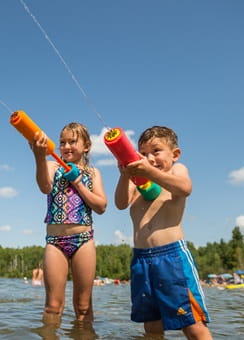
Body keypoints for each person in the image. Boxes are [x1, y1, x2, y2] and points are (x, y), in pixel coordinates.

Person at [114, 126, 212, 339]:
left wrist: (150, 172)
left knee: (192, 324)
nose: (149, 158)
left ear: (175, 154)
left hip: (171, 258)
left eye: (156, 151)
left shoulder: (176, 171)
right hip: (141, 261)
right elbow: (120, 203)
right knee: (151, 326)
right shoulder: (136, 181)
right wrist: (124, 175)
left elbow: (185, 188)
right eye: (144, 153)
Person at [30, 122, 107, 325]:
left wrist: (78, 182)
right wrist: (39, 156)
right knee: (52, 306)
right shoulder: (52, 166)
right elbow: (45, 187)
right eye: (62, 142)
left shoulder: (92, 173)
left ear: (87, 146)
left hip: (83, 240)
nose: (66, 146)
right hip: (55, 241)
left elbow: (101, 206)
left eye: (72, 141)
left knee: (83, 307)